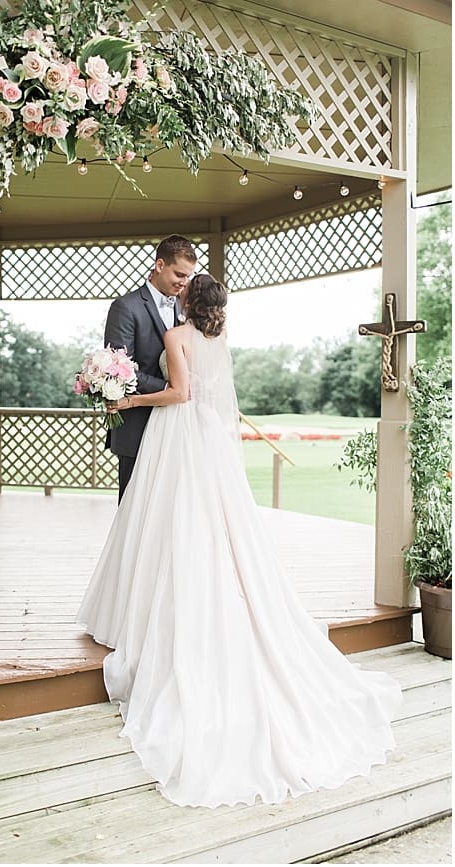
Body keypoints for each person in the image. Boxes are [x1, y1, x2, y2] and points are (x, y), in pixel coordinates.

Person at [77, 272, 401, 809]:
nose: (176, 291)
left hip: (176, 437)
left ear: (186, 299)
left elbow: (179, 393)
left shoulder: (179, 338)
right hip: (207, 442)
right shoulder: (216, 337)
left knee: (172, 522)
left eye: (182, 288)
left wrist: (128, 401)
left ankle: (161, 608)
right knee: (207, 524)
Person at [104, 235, 196, 500]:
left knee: (171, 507)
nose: (183, 282)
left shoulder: (186, 306)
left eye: (188, 277)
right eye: (179, 273)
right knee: (134, 508)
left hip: (178, 425)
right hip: (137, 423)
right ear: (159, 264)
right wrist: (171, 389)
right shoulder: (126, 307)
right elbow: (121, 368)